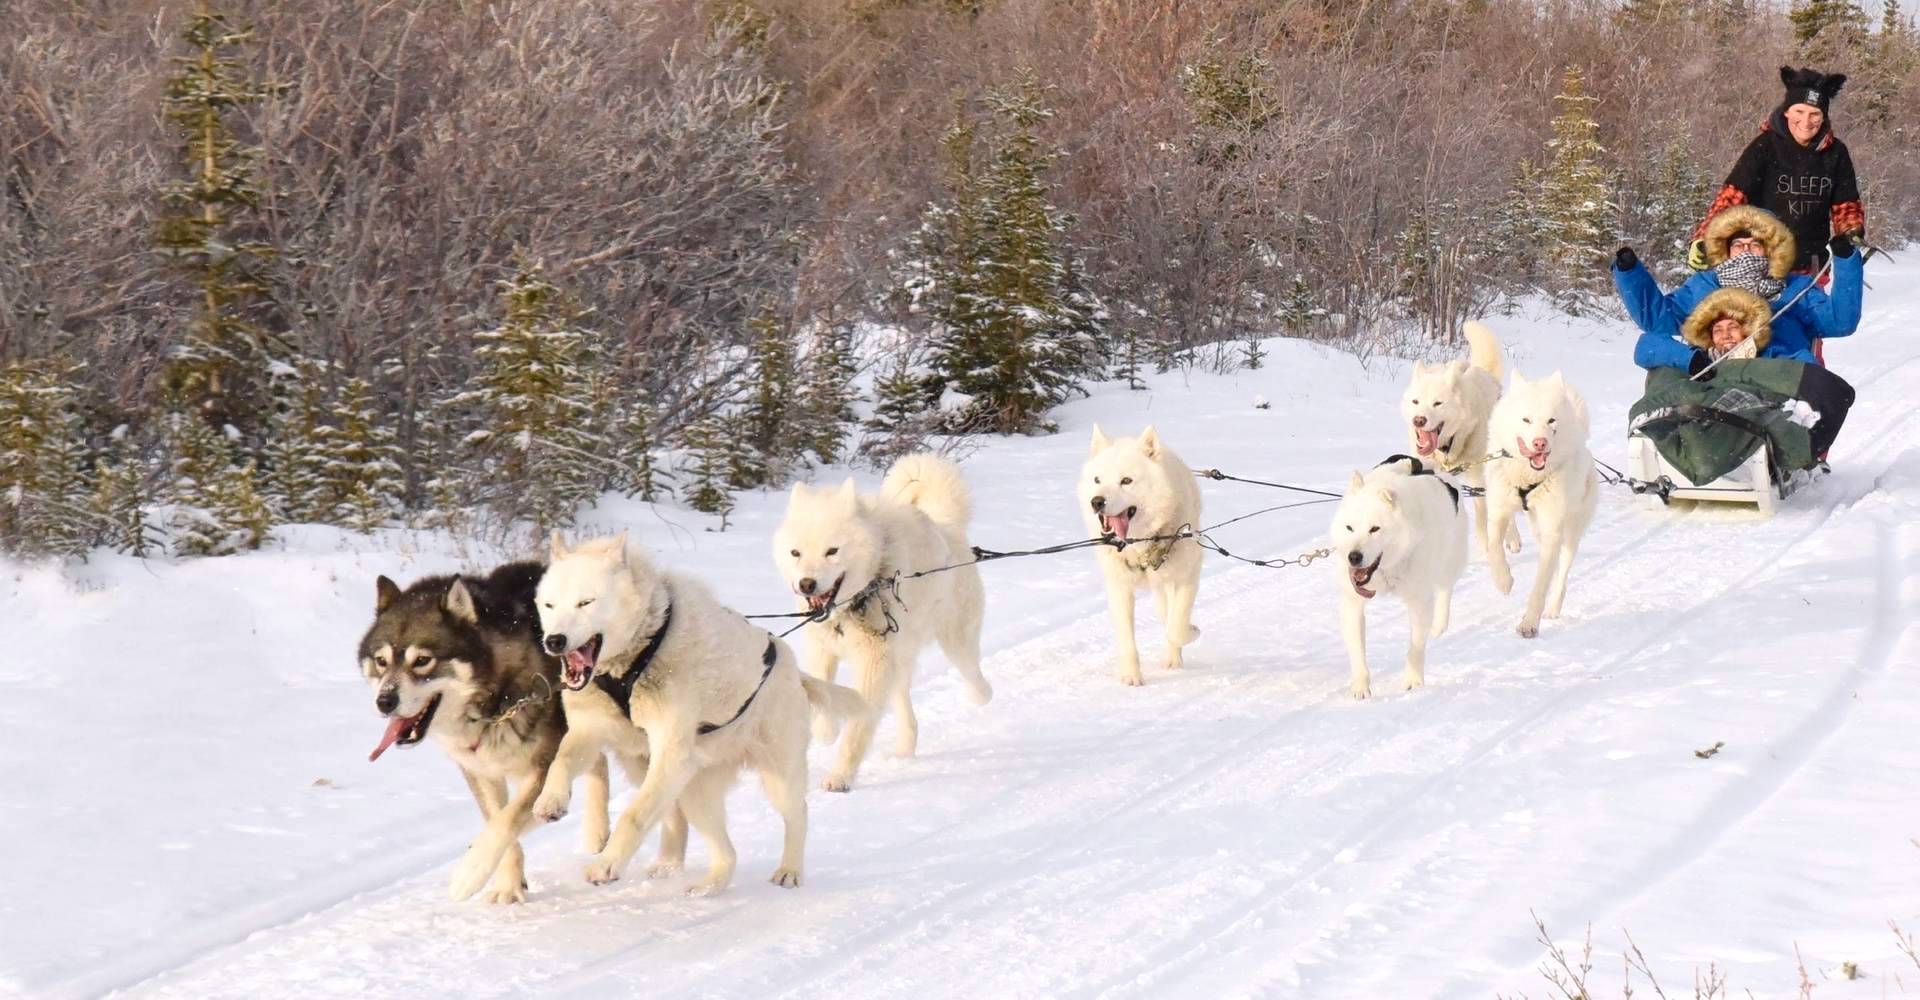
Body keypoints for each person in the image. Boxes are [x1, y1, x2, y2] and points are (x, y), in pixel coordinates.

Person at [1615, 204, 1861, 371]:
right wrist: (1629, 272)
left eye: (1755, 244)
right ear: (1726, 250)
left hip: (1778, 379)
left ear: (1770, 250)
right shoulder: (1706, 285)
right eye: (1738, 244)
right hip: (1712, 376)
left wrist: (1845, 259)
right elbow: (1656, 320)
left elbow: (1841, 321)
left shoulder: (1795, 289)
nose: (1746, 251)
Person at [1688, 67, 1864, 277]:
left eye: (1814, 114)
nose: (1806, 122)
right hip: (1760, 263)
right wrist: (1706, 236)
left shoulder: (1836, 153)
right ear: (1787, 111)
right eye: (1799, 112)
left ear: (1824, 116)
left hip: (1810, 267)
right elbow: (1731, 197)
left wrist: (1851, 231)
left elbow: (1846, 204)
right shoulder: (1765, 146)